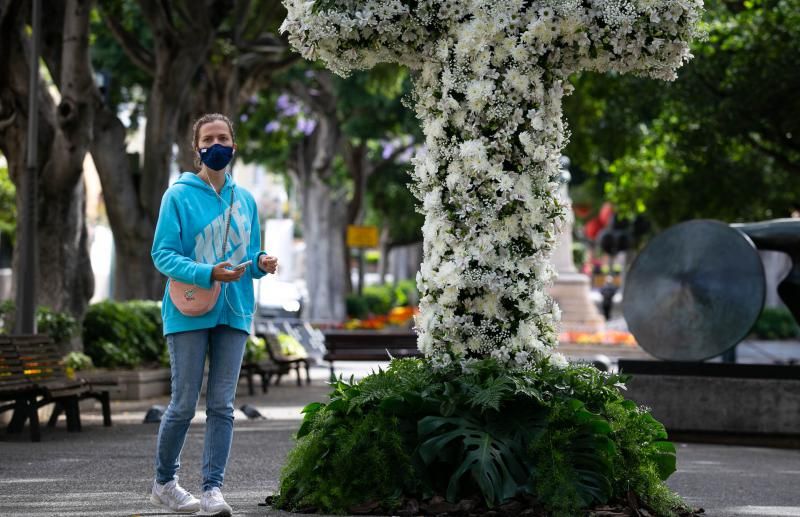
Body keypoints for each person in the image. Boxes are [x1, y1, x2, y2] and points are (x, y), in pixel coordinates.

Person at [149, 113, 278, 516]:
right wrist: (207, 272)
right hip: (189, 309)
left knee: (222, 405)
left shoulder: (247, 200)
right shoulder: (178, 196)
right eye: (209, 138)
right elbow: (162, 254)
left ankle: (212, 490)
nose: (217, 143)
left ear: (234, 145)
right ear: (197, 148)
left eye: (224, 137)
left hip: (235, 310)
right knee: (184, 402)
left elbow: (247, 259)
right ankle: (165, 483)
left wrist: (262, 261)